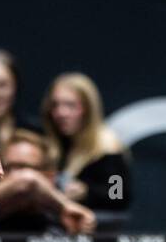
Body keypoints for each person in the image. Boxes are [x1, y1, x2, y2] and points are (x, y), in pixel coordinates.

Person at [41, 72, 132, 212]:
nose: (61, 113)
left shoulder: (108, 148)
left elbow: (118, 195)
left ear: (88, 109)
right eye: (55, 105)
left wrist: (86, 192)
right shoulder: (55, 144)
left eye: (71, 105)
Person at [0, 129, 97, 233]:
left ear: (48, 175)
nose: (14, 175)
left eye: (23, 167)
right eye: (8, 167)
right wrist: (66, 205)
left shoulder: (65, 216)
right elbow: (26, 179)